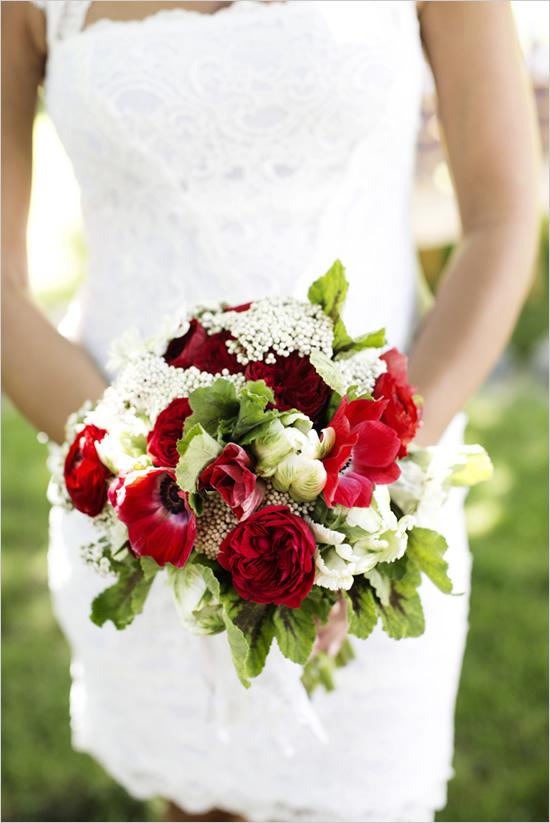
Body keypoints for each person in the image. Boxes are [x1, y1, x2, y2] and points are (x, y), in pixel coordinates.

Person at [2, 2, 540, 821]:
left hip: (378, 487)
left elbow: (501, 220)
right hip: (143, 507)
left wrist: (358, 496)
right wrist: (153, 487)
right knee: (196, 797)